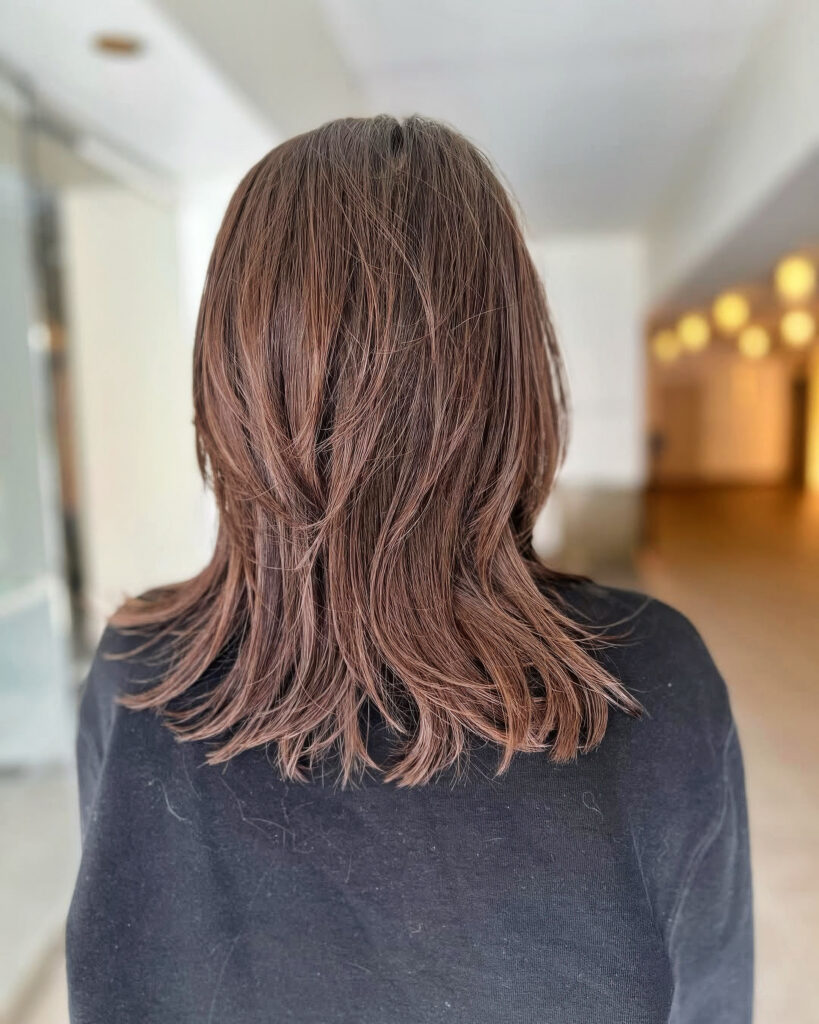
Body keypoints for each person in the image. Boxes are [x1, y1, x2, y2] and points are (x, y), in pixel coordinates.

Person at [66, 116, 752, 1024]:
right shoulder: (649, 680)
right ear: (512, 378)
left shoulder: (139, 676)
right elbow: (710, 1001)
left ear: (229, 380)